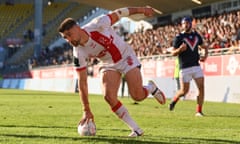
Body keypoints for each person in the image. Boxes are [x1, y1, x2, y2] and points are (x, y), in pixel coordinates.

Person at [58, 6, 166, 137]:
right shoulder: (78, 52)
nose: (68, 40)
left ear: (77, 28)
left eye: (69, 35)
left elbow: (121, 13)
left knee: (137, 96)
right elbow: (82, 82)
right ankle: (136, 129)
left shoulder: (98, 23)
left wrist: (142, 9)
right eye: (65, 38)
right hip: (108, 64)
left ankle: (150, 88)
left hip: (126, 56)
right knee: (108, 96)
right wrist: (86, 109)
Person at [169, 16, 208, 117]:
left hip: (196, 66)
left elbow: (204, 46)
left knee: (201, 88)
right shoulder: (179, 37)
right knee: (184, 91)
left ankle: (199, 111)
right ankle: (174, 100)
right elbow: (173, 53)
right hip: (184, 67)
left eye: (187, 23)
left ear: (191, 24)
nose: (185, 25)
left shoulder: (196, 35)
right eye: (183, 23)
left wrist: (205, 55)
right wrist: (179, 50)